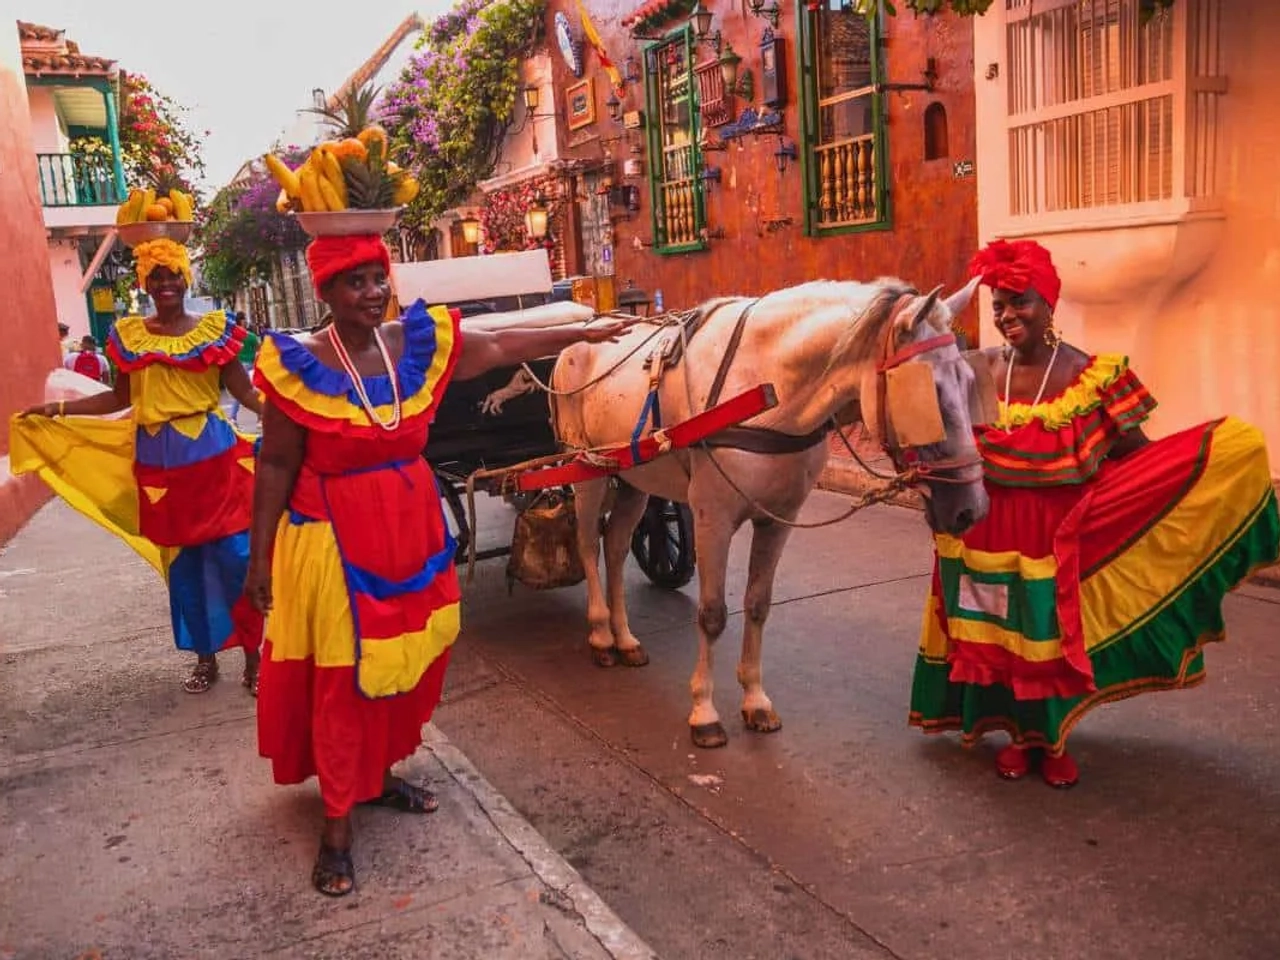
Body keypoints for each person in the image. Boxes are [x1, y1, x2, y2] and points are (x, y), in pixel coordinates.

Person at [247, 232, 635, 897]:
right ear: (327, 292)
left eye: (377, 279)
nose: (370, 293)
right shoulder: (300, 362)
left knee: (407, 663)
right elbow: (277, 462)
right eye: (353, 282)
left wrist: (590, 330)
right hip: (332, 541)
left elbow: (498, 345)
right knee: (346, 678)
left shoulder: (412, 344)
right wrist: (259, 558)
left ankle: (379, 776)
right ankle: (337, 824)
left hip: (409, 526)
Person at [908, 239, 1280, 788]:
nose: (1008, 316)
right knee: (999, 640)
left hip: (1057, 544)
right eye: (999, 307)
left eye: (1021, 302)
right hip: (988, 535)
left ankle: (1051, 740)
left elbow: (1140, 458)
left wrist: (1176, 492)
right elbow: (943, 440)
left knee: (1050, 644)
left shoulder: (1091, 378)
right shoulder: (979, 372)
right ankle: (1016, 736)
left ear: (1048, 304)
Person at [12, 237, 265, 694]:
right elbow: (119, 399)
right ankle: (205, 659)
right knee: (184, 568)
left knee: (235, 560)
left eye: (173, 275)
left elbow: (245, 394)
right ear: (145, 283)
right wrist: (58, 412)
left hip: (213, 460)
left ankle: (255, 657)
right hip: (157, 464)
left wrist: (293, 413)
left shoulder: (214, 330)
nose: (166, 284)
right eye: (156, 276)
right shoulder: (128, 336)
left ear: (186, 278)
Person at [228, 312, 261, 424]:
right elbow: (259, 350)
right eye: (244, 319)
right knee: (255, 391)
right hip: (250, 366)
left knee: (240, 393)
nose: (246, 321)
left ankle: (233, 417)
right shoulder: (251, 336)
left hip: (237, 366)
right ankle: (260, 418)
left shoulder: (232, 336)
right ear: (242, 321)